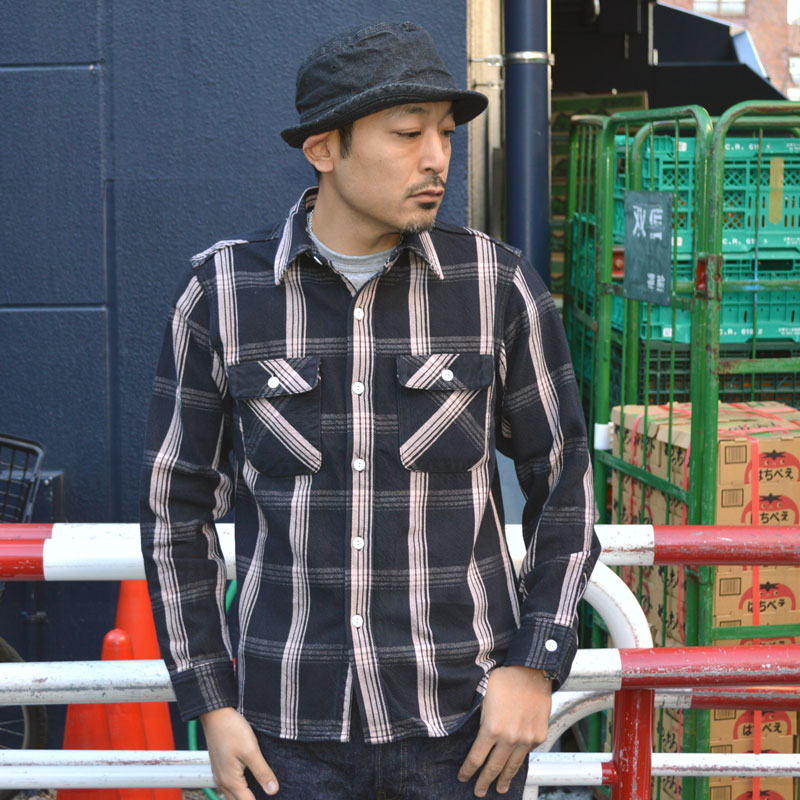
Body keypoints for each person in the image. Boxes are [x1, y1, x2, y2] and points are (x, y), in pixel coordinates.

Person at [140, 20, 600, 800]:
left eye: (446, 133)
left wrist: (535, 662)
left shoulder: (496, 286)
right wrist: (210, 702)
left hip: (464, 729)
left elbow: (565, 488)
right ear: (324, 149)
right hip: (286, 735)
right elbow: (174, 511)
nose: (437, 157)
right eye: (408, 133)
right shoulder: (222, 295)